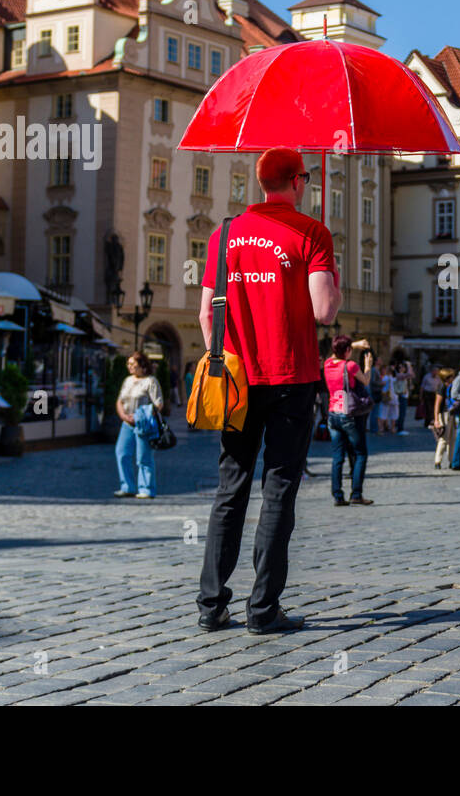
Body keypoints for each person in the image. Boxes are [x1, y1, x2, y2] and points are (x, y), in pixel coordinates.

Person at [196, 147, 340, 635]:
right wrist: (331, 280)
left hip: (235, 380)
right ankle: (263, 610)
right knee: (278, 489)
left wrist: (228, 354)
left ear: (261, 182)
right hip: (290, 379)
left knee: (229, 490)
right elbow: (324, 311)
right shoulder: (312, 233)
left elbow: (205, 313)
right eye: (305, 177)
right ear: (298, 181)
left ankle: (212, 605)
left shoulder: (225, 233)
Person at [324, 335, 373, 505]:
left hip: (332, 414)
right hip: (348, 414)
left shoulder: (328, 364)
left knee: (338, 457)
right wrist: (368, 366)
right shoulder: (350, 366)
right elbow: (365, 381)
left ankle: (338, 496)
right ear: (347, 351)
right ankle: (356, 494)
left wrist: (354, 344)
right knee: (360, 454)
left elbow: (334, 353)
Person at [114, 351, 164, 499]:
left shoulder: (150, 381)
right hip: (127, 423)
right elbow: (120, 400)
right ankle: (127, 486)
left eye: (133, 364)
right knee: (122, 453)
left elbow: (158, 404)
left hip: (143, 423)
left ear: (142, 366)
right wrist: (123, 415)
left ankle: (147, 489)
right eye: (128, 364)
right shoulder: (128, 381)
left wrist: (142, 416)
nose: (129, 367)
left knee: (144, 457)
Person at [431, 367, 456, 469]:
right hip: (444, 414)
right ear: (447, 378)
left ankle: (451, 460)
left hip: (451, 413)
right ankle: (438, 461)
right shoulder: (442, 387)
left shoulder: (451, 386)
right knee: (444, 439)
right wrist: (436, 419)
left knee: (452, 438)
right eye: (451, 377)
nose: (453, 378)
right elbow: (437, 404)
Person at [391, 354, 412, 435]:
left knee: (401, 412)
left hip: (404, 395)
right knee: (401, 413)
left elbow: (412, 375)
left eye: (403, 366)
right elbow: (410, 374)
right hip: (401, 395)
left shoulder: (400, 375)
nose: (402, 368)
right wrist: (409, 365)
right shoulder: (398, 375)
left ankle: (398, 427)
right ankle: (400, 429)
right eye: (400, 367)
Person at [420, 364, 441, 429]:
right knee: (428, 408)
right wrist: (421, 396)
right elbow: (422, 387)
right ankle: (428, 422)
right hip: (427, 393)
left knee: (434, 408)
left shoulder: (438, 377)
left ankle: (433, 421)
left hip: (435, 393)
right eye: (435, 371)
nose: (436, 372)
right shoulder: (426, 377)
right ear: (432, 371)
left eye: (437, 371)